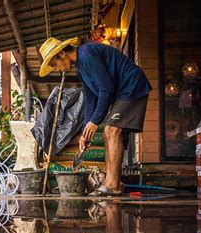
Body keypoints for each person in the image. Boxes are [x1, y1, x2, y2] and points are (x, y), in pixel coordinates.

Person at [39, 37, 152, 196]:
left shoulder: (87, 54)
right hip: (121, 92)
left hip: (131, 86)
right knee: (107, 133)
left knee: (112, 131)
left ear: (62, 53)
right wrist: (87, 128)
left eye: (54, 64)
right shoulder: (81, 67)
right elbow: (91, 97)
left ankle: (112, 184)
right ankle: (112, 183)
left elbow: (106, 89)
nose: (57, 68)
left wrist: (94, 122)